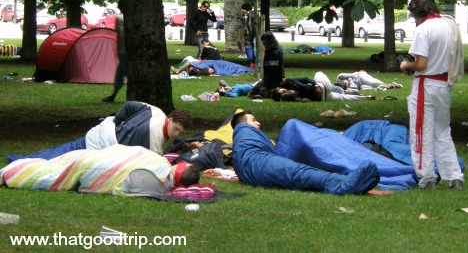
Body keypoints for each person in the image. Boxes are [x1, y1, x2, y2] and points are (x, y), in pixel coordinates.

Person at [399, 0, 465, 190]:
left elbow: (421, 64)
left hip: (425, 84)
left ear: (416, 13)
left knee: (420, 132)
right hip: (444, 83)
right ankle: (454, 177)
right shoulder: (447, 24)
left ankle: (426, 178)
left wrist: (405, 64)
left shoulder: (423, 29)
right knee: (443, 131)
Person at [231, 111, 380, 195]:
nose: (258, 123)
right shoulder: (244, 133)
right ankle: (341, 185)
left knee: (297, 173)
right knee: (298, 172)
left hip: (256, 165)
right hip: (259, 163)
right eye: (254, 120)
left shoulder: (246, 139)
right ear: (243, 124)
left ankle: (341, 180)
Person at [7, 101, 193, 163]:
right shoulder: (154, 137)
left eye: (179, 132)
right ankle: (19, 162)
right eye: (176, 128)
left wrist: (117, 123)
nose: (176, 133)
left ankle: (19, 159)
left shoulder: (155, 110)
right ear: (170, 119)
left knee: (65, 150)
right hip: (101, 143)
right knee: (60, 158)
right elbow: (152, 162)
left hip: (105, 129)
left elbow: (128, 106)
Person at [1, 144, 200, 197]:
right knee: (58, 164)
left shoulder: (159, 167)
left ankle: (13, 171)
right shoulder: (161, 187)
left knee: (55, 170)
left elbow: (132, 153)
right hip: (99, 161)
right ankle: (18, 168)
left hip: (93, 163)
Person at [272, 73, 375, 102]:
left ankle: (366, 96)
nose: (285, 91)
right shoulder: (290, 96)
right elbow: (297, 99)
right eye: (283, 92)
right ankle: (368, 97)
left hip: (321, 88)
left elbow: (306, 78)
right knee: (345, 98)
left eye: (283, 90)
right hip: (324, 92)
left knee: (318, 74)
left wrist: (315, 84)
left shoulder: (291, 81)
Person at [248, 31, 285, 98]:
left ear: (269, 41)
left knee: (251, 94)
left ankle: (266, 94)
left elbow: (272, 71)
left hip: (272, 80)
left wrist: (266, 85)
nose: (264, 44)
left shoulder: (274, 53)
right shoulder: (276, 49)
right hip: (273, 79)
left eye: (265, 42)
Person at [102, 14, 126, 103]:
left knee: (120, 74)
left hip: (124, 51)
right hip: (133, 50)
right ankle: (112, 96)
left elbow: (121, 34)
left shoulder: (120, 18)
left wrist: (119, 48)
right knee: (120, 73)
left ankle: (113, 96)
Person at [335, 70, 402, 94]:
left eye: (345, 84)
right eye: (346, 86)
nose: (346, 85)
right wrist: (350, 80)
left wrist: (351, 79)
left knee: (373, 83)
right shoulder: (347, 88)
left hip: (360, 76)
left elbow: (354, 75)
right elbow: (355, 88)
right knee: (368, 89)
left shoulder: (340, 76)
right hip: (361, 86)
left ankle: (388, 85)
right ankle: (391, 85)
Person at [241, 3, 258, 68]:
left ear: (245, 9)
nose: (241, 11)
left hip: (256, 35)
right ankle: (253, 64)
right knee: (254, 49)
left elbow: (254, 29)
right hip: (255, 35)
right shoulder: (250, 15)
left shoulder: (252, 15)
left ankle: (258, 66)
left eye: (242, 9)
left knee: (256, 50)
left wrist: (250, 39)